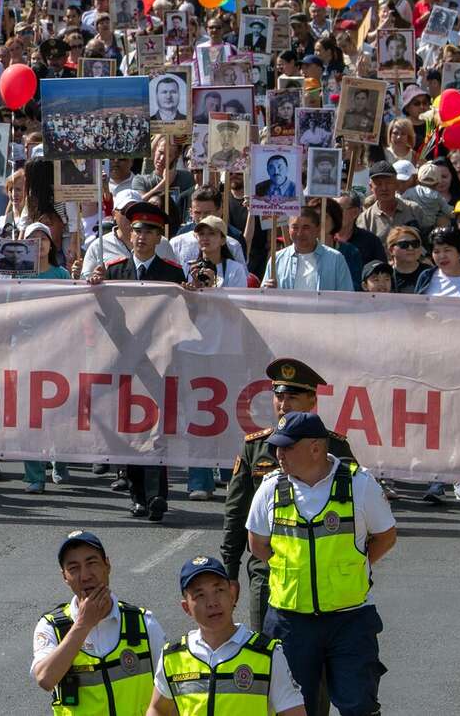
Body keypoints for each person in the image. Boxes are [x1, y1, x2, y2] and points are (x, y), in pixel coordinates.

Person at [245, 411, 397, 716]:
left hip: (350, 619)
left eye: (287, 447)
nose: (279, 454)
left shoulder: (360, 485)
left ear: (315, 448)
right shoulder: (271, 487)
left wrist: (355, 566)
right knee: (293, 707)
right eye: (277, 447)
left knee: (359, 704)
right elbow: (257, 544)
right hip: (291, 621)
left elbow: (386, 536)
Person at [220, 359, 360, 631]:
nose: (283, 405)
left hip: (324, 575)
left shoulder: (335, 448)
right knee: (268, 655)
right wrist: (230, 572)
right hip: (268, 570)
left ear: (312, 401)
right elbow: (237, 514)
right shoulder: (256, 447)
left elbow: (361, 513)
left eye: (292, 398)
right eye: (278, 397)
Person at [88, 202, 187, 520]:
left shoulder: (172, 273)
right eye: (138, 230)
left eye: (150, 231)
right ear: (129, 234)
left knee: (158, 428)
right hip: (125, 360)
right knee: (132, 425)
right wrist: (94, 285)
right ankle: (137, 495)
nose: (142, 236)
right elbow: (99, 314)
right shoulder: (114, 270)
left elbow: (183, 314)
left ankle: (158, 495)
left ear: (160, 238)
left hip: (160, 358)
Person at [149, 556, 306, 716]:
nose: (212, 602)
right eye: (200, 595)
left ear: (232, 594)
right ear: (186, 607)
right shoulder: (173, 657)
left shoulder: (267, 656)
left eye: (219, 590)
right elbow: (157, 709)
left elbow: (295, 712)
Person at [31, 530, 166, 715]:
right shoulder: (51, 627)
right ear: (64, 576)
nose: (85, 576)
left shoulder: (143, 623)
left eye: (92, 563)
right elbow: (45, 679)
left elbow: (170, 692)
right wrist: (83, 624)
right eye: (74, 568)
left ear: (107, 565)